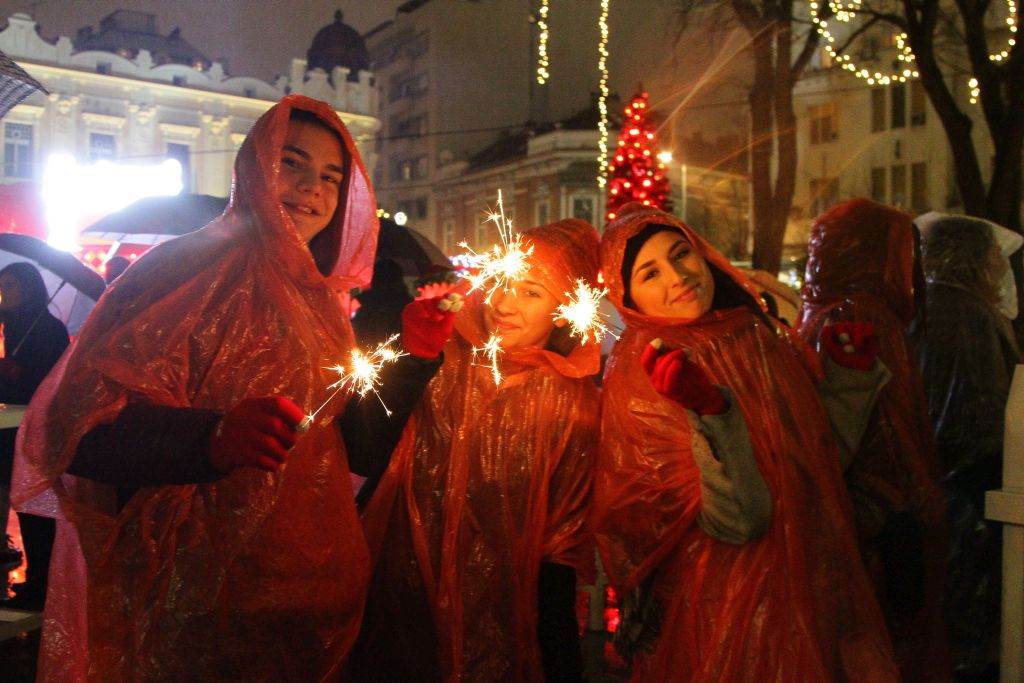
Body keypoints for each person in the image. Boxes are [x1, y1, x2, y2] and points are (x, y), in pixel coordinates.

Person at [10, 95, 453, 679]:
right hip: (186, 609)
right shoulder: (180, 271)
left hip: (300, 609)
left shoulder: (317, 300)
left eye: (330, 177)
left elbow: (344, 444)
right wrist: (211, 439)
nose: (311, 190)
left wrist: (413, 359)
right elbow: (84, 429)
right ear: (252, 166)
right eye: (291, 163)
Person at [593, 203, 898, 681]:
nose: (677, 277)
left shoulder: (755, 335)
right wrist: (713, 418)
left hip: (814, 595)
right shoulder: (644, 375)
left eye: (681, 254)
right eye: (651, 273)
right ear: (628, 295)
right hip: (727, 612)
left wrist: (847, 384)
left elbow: (816, 465)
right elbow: (740, 520)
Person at [350, 219, 602, 682]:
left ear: (564, 308)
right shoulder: (443, 355)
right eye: (502, 282)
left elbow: (561, 550)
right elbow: (364, 447)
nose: (505, 303)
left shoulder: (575, 405)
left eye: (531, 292)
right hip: (396, 606)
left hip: (501, 625)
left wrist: (559, 660)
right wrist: (411, 359)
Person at [799, 199, 949, 681]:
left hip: (855, 515)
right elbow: (886, 424)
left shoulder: (825, 314)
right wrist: (918, 499)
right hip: (874, 520)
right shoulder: (861, 318)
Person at [912, 214, 1022, 679]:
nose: (1001, 267)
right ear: (972, 257)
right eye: (994, 256)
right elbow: (974, 423)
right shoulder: (967, 315)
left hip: (944, 496)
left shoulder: (930, 306)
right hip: (971, 503)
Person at [0, 262, 69, 610]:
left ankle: (42, 584)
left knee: (36, 512)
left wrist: (19, 373)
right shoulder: (6, 328)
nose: (4, 293)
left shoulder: (48, 330)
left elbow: (52, 384)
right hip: (5, 434)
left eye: (10, 286)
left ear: (28, 289)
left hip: (33, 435)